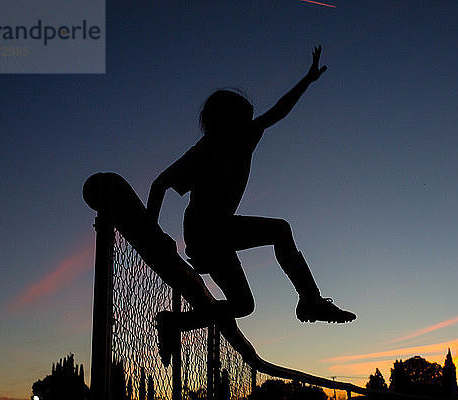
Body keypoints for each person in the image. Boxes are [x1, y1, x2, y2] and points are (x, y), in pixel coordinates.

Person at [148, 46, 355, 365]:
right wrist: (151, 230)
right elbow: (159, 184)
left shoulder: (247, 137)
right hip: (205, 229)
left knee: (243, 305)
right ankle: (311, 300)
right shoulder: (204, 152)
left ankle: (175, 323)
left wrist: (308, 79)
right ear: (221, 124)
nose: (248, 127)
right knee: (280, 230)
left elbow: (278, 111)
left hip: (220, 235)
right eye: (240, 122)